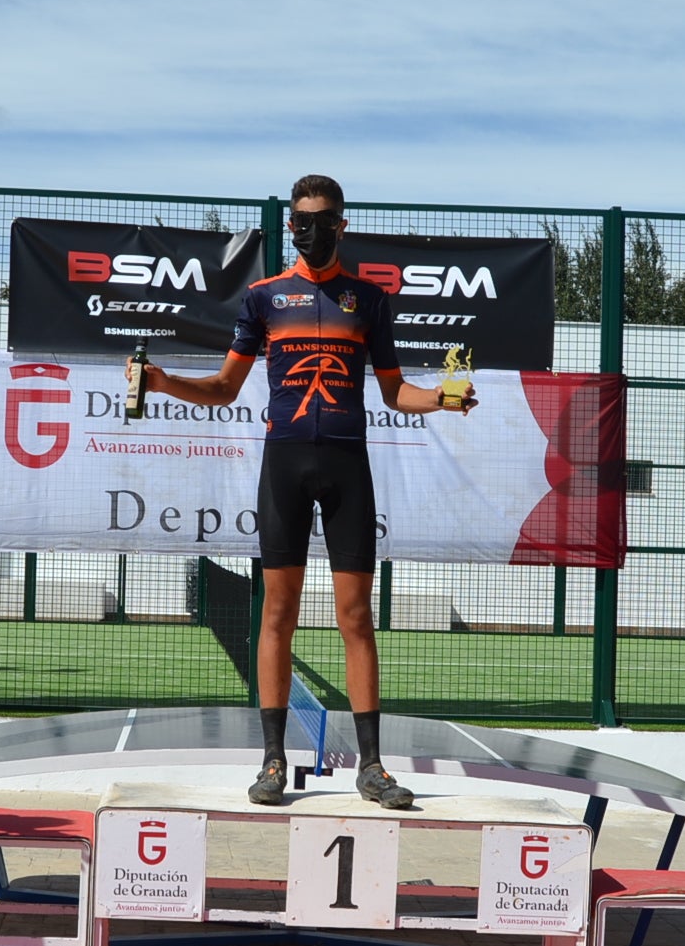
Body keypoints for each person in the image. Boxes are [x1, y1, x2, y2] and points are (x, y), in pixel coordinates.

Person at [130, 175, 474, 810]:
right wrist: (161, 380)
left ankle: (372, 767)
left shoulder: (368, 301)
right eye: (302, 221)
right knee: (277, 615)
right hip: (284, 463)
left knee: (356, 618)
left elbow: (398, 392)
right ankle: (271, 762)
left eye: (323, 220)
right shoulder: (264, 298)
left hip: (348, 465)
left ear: (342, 225)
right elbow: (225, 390)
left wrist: (446, 398)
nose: (312, 230)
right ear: (291, 227)